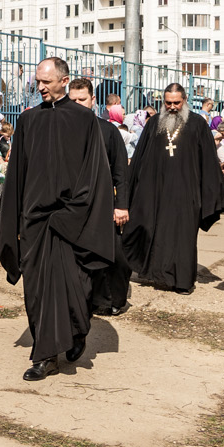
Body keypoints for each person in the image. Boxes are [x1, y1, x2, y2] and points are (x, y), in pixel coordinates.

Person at [0, 59, 115, 382]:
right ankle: (45, 356)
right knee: (37, 291)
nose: (40, 87)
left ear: (64, 81)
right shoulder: (28, 120)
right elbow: (17, 173)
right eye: (38, 81)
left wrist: (76, 211)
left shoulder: (84, 120)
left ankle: (76, 330)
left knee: (76, 286)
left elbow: (95, 173)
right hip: (35, 222)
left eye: (46, 82)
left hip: (72, 221)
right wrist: (13, 220)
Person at [122, 82, 224, 294]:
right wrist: (132, 188)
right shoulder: (154, 123)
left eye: (176, 102)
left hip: (186, 192)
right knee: (154, 231)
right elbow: (140, 157)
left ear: (184, 100)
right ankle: (157, 274)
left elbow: (208, 160)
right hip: (155, 190)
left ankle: (182, 281)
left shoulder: (197, 124)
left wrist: (210, 193)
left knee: (182, 236)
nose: (172, 107)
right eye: (168, 103)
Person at [68, 76, 132, 316]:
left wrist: (121, 205)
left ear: (93, 100)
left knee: (113, 255)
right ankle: (82, 300)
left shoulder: (108, 131)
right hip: (71, 206)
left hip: (103, 204)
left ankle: (111, 299)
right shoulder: (61, 129)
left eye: (82, 99)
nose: (77, 104)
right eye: (73, 100)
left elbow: (120, 172)